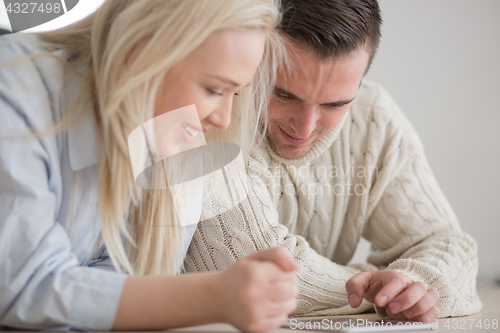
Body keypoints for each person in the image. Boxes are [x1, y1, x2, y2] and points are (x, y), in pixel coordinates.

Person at [0, 0, 299, 331]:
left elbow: (125, 287)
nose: (223, 118)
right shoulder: (13, 97)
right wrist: (211, 296)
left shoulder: (175, 139)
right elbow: (21, 287)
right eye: (215, 89)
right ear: (139, 53)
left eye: (236, 94)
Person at [184, 0, 482, 324]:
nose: (305, 127)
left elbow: (447, 243)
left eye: (335, 103)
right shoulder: (213, 116)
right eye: (284, 95)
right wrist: (376, 290)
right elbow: (251, 268)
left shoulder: (372, 118)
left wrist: (413, 286)